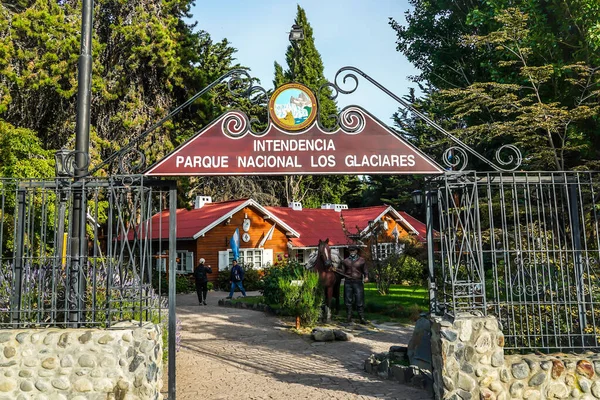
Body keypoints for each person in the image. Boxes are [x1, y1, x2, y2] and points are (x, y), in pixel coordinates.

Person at [341, 245, 368, 324]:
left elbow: (365, 270)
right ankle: (349, 316)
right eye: (351, 251)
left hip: (358, 282)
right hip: (348, 282)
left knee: (359, 299)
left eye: (354, 250)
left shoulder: (362, 260)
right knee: (348, 300)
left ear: (356, 251)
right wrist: (334, 269)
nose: (352, 252)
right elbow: (342, 272)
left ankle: (361, 317)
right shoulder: (345, 261)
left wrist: (366, 277)